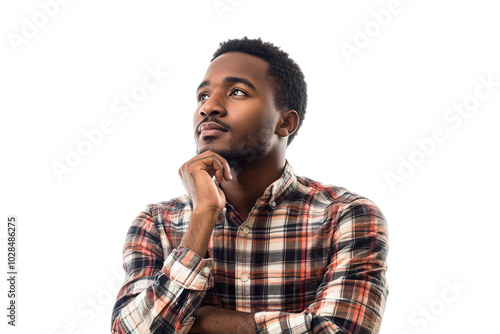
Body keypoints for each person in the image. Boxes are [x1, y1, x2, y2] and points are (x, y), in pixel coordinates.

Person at [111, 37, 389, 334]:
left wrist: (201, 322)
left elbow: (341, 330)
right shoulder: (155, 224)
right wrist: (203, 215)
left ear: (285, 123)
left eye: (237, 92)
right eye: (203, 96)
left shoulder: (346, 216)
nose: (210, 107)